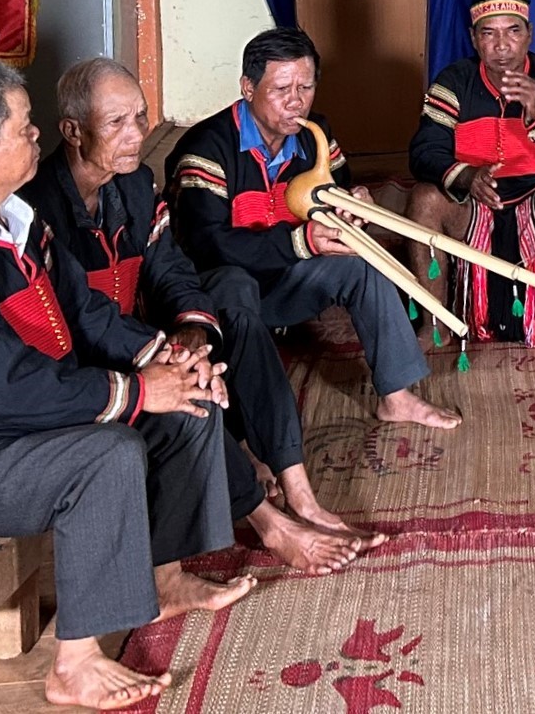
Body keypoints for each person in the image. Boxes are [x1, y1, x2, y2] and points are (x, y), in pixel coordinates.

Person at [0, 59, 250, 710]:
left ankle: (168, 577)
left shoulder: (8, 217)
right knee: (109, 452)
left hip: (12, 434)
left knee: (188, 408)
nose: (39, 137)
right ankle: (75, 662)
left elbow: (86, 311)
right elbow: (6, 388)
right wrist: (135, 391)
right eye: (25, 128)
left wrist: (170, 359)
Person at [20, 57, 370, 576]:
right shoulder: (35, 207)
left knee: (239, 325)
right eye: (116, 123)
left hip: (142, 341)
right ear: (72, 131)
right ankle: (270, 522)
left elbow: (172, 272)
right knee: (184, 390)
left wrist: (190, 335)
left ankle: (299, 490)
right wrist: (167, 356)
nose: (136, 134)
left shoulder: (134, 185)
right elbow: (80, 315)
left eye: (140, 117)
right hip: (83, 365)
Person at [165, 27, 459, 428]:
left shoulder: (314, 135)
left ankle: (396, 396)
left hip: (285, 280)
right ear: (248, 88)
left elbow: (334, 194)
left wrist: (352, 206)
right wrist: (300, 242)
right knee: (234, 282)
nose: (295, 101)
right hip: (222, 293)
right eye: (281, 88)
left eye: (305, 87)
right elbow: (206, 245)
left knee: (362, 261)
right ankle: (249, 425)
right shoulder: (206, 148)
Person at [406, 0, 535, 356]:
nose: (501, 46)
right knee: (423, 199)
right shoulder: (454, 82)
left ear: (529, 34)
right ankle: (435, 322)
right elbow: (423, 152)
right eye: (489, 34)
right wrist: (466, 175)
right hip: (473, 201)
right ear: (473, 38)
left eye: (513, 31)